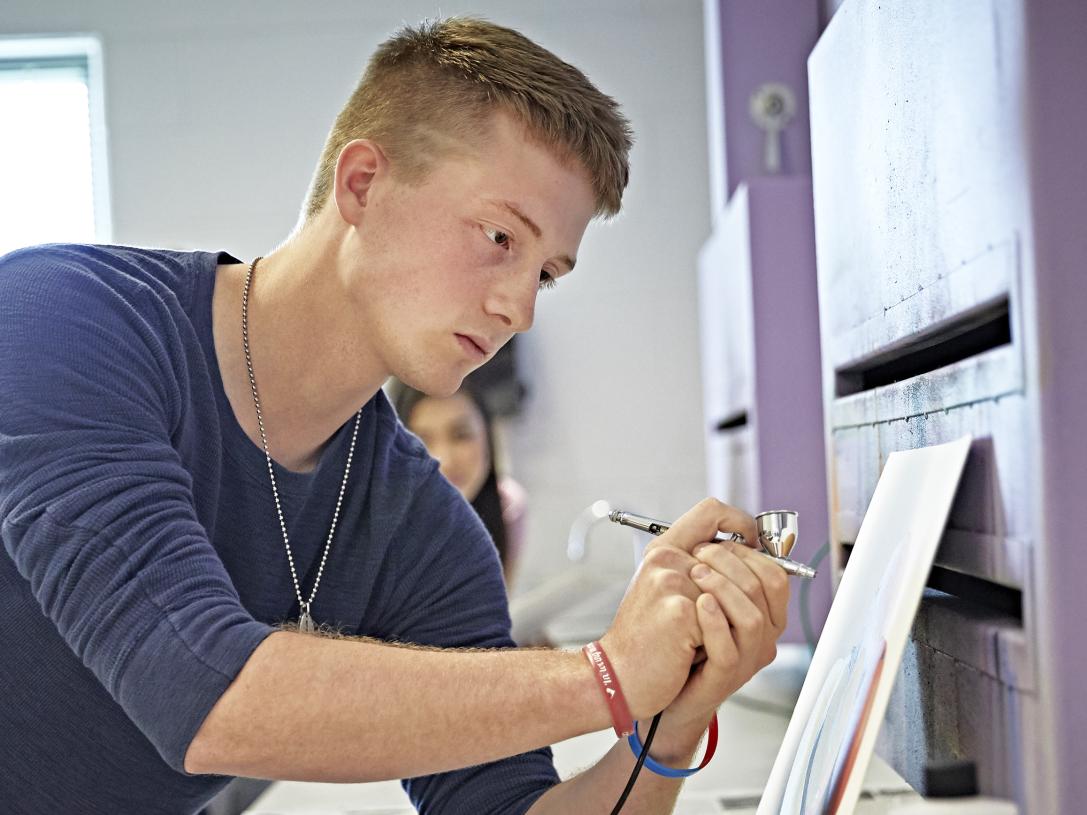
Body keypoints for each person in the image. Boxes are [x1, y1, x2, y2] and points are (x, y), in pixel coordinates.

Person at [0, 17, 789, 815]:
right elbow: (198, 688)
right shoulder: (61, 318)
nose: (518, 308)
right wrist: (608, 675)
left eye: (546, 274)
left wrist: (669, 725)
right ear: (363, 184)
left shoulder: (421, 527)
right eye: (498, 235)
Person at [393, 383, 526, 587]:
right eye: (421, 441)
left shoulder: (508, 507)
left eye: (461, 435)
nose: (445, 460)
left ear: (488, 436)